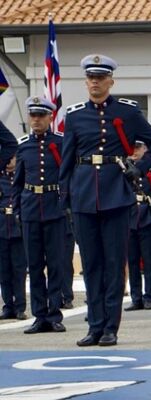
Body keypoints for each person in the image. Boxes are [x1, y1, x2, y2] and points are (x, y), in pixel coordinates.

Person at [60, 54, 151, 346]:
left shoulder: (128, 112)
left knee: (114, 262)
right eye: (91, 78)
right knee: (91, 264)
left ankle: (110, 327)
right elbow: (67, 159)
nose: (95, 82)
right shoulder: (75, 114)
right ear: (86, 82)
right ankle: (94, 325)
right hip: (83, 194)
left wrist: (140, 168)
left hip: (116, 193)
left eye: (100, 78)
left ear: (110, 81)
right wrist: (64, 197)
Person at [14, 96, 68, 334]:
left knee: (55, 265)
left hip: (54, 208)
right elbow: (18, 182)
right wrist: (18, 210)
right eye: (33, 115)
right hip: (30, 210)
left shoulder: (61, 142)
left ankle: (54, 314)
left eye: (41, 115)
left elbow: (68, 177)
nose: (36, 120)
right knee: (34, 266)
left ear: (50, 117)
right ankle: (39, 316)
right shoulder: (23, 145)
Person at [124, 140, 151, 310]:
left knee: (150, 260)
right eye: (132, 147)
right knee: (133, 260)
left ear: (145, 149)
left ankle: (149, 296)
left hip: (148, 216)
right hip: (129, 218)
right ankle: (136, 297)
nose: (134, 151)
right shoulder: (123, 168)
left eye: (138, 148)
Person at [0, 155, 27, 321]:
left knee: (19, 270)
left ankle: (20, 306)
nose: (9, 162)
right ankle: (8, 305)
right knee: (4, 271)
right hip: (1, 227)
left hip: (18, 229)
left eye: (12, 158)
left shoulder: (22, 177)